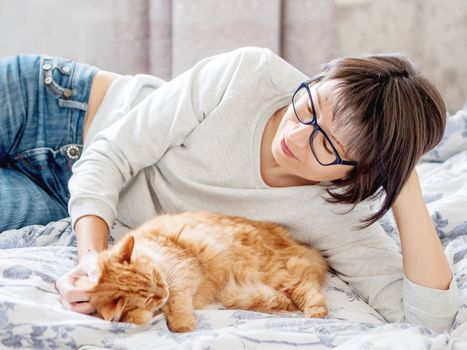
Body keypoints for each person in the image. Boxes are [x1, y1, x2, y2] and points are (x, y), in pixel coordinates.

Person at [0, 48, 461, 333]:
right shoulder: (249, 73)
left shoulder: (338, 215)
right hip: (55, 103)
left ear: (356, 173)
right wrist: (92, 264)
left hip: (59, 198)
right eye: (311, 104)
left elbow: (428, 319)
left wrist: (404, 187)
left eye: (325, 145)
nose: (296, 135)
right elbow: (109, 156)